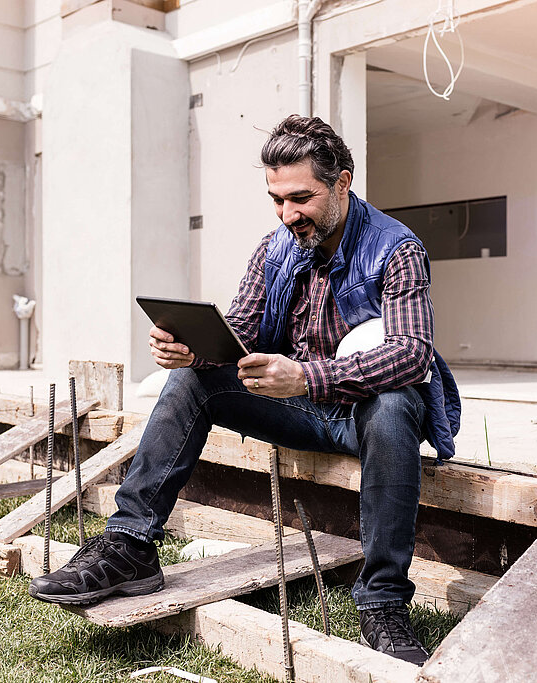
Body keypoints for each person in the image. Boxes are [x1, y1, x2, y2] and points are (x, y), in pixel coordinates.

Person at [29, 115, 461, 665]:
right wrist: (193, 350)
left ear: (343, 182)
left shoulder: (396, 248)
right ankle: (131, 546)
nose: (288, 214)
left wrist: (306, 377)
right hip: (297, 407)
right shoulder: (276, 246)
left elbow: (412, 353)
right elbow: (242, 330)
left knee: (397, 404)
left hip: (362, 415)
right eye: (276, 200)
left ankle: (382, 601)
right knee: (191, 380)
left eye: (301, 198)